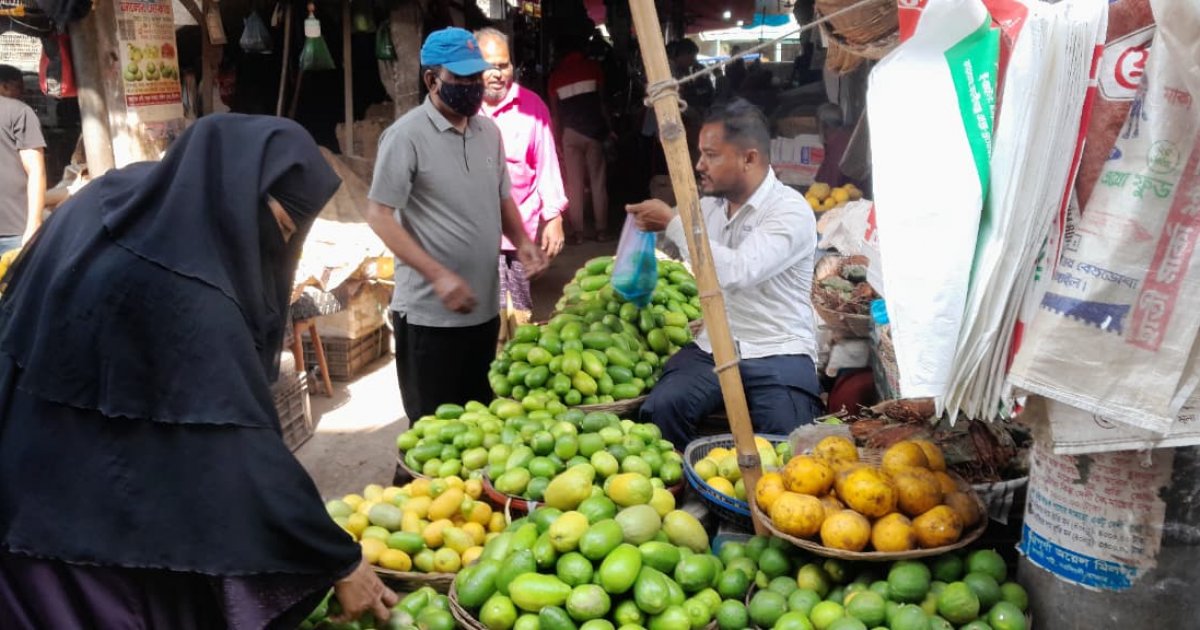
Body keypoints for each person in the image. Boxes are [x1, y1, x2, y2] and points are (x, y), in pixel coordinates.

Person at [0, 114, 396, 628]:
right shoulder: (193, 296)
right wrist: (337, 559)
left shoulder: (111, 199)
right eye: (277, 227)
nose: (275, 251)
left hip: (26, 483)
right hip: (85, 545)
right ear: (235, 193)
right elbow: (238, 446)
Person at [362, 27, 548, 421]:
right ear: (432, 79)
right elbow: (378, 214)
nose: (473, 87)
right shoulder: (405, 137)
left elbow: (501, 198)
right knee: (433, 430)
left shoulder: (488, 133)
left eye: (475, 78)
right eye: (460, 78)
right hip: (430, 317)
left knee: (476, 423)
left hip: (482, 310)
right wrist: (438, 275)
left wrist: (523, 239)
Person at [627, 99, 824, 449]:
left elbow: (737, 271)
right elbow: (680, 247)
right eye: (700, 154)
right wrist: (649, 231)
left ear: (749, 158)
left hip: (777, 348)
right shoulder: (707, 207)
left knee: (788, 443)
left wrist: (673, 225)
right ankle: (687, 491)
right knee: (661, 411)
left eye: (711, 155)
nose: (700, 165)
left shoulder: (790, 212)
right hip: (714, 344)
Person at [475, 27, 567, 341]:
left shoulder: (532, 107)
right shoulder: (461, 108)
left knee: (520, 322)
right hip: (473, 236)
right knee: (485, 322)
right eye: (490, 66)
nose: (498, 74)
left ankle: (514, 380)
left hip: (518, 236)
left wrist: (553, 216)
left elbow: (547, 163)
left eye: (504, 65)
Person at [548, 36, 613, 243]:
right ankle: (601, 231)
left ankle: (578, 233)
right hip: (594, 132)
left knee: (574, 184)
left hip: (569, 133)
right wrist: (610, 129)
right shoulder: (593, 68)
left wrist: (557, 138)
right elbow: (602, 103)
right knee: (597, 182)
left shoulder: (555, 77)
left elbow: (555, 114)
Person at [0, 65, 45, 255]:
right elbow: (36, 170)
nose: (22, 93)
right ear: (2, 86)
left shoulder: (17, 112)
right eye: (17, 87)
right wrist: (34, 224)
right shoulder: (19, 111)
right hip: (16, 228)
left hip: (15, 230)